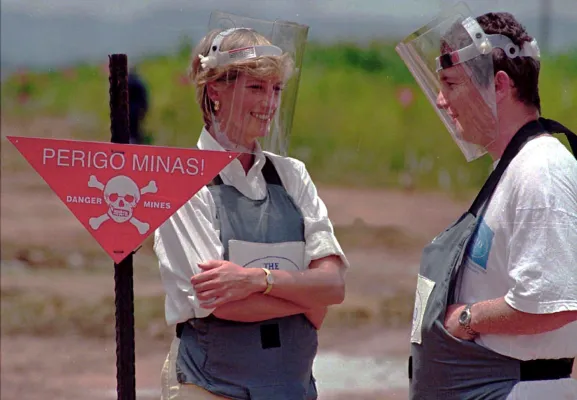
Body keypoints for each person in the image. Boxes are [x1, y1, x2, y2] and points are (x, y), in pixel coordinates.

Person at [153, 12, 348, 400]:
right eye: (256, 87)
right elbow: (221, 305)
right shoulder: (183, 181)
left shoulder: (292, 174)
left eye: (276, 89)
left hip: (293, 387)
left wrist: (257, 281)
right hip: (209, 389)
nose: (270, 102)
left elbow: (333, 286)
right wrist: (306, 299)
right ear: (214, 91)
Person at [396, 3, 577, 399]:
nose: (441, 100)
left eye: (451, 83)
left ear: (498, 86)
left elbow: (553, 300)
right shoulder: (516, 166)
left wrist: (466, 319)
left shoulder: (540, 170)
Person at [128, 67, 150, 144]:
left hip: (129, 110)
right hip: (136, 110)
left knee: (131, 129)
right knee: (135, 129)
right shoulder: (139, 82)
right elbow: (144, 99)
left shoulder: (127, 83)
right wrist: (144, 109)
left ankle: (132, 142)